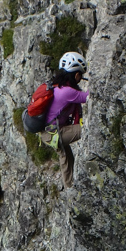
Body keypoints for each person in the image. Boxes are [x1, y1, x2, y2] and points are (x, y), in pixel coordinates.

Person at [40, 51, 89, 188]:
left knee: (67, 158)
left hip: (48, 133)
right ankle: (70, 187)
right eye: (81, 75)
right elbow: (88, 97)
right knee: (87, 129)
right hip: (55, 133)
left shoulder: (57, 86)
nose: (81, 78)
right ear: (76, 74)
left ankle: (69, 187)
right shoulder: (68, 91)